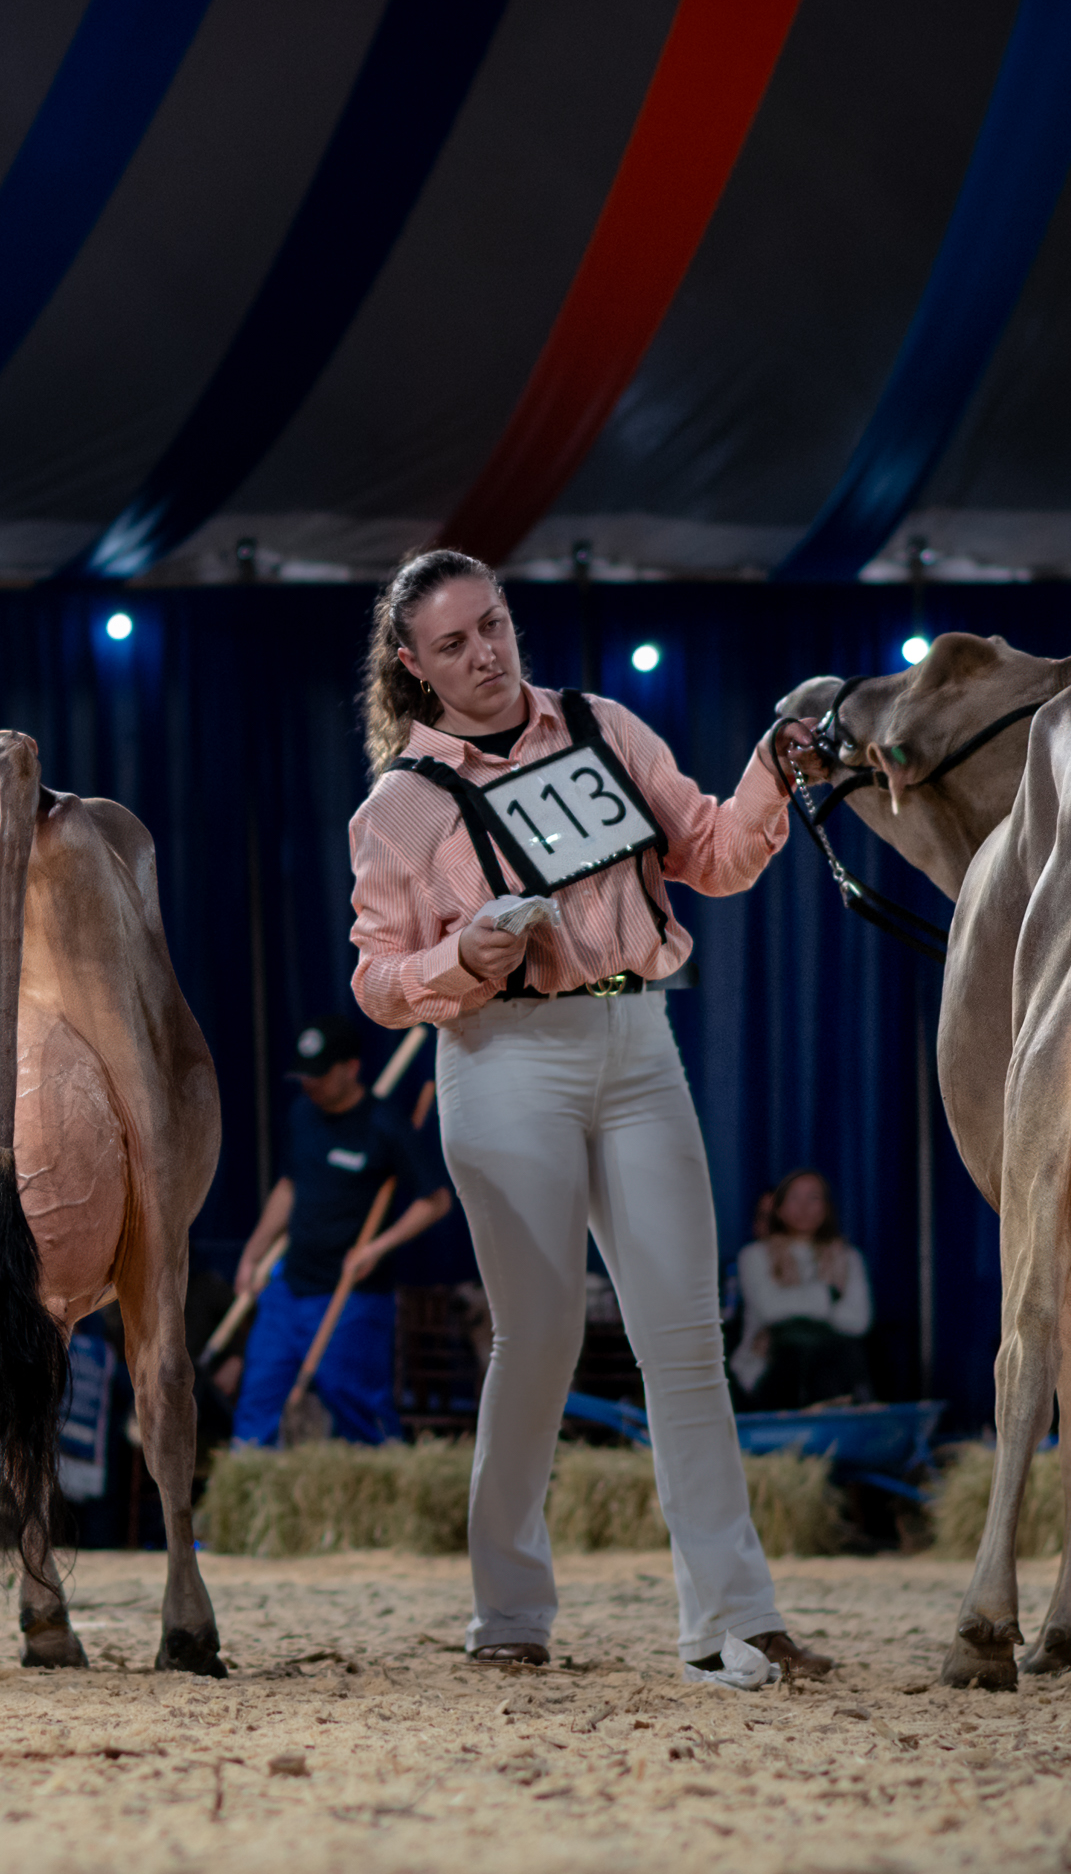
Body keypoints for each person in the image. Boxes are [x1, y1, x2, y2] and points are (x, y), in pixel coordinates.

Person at [347, 548, 833, 1682]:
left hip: (638, 1037)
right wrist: (457, 959)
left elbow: (712, 853)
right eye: (454, 643)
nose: (485, 654)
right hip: (501, 1054)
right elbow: (374, 979)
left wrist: (772, 768)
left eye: (493, 624)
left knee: (685, 1335)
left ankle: (733, 1619)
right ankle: (508, 1615)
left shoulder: (602, 724)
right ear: (413, 666)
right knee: (540, 1335)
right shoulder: (401, 806)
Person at [226, 1015, 458, 1445]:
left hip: (352, 1295)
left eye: (320, 1074)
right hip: (289, 1288)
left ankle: (379, 1476)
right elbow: (289, 1187)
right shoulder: (302, 1114)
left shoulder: (384, 1124)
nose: (309, 1084)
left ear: (351, 1068)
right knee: (258, 1398)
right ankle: (248, 1479)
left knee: (353, 1402)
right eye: (304, 1074)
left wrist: (377, 1248)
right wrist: (253, 1253)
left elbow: (436, 1200)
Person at [731, 1172, 871, 1410]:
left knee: (835, 1352)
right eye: (794, 1198)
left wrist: (795, 1307)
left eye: (813, 1198)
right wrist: (828, 1296)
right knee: (796, 1349)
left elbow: (858, 1321)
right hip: (770, 1369)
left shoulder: (847, 1257)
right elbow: (770, 1310)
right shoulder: (755, 1256)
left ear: (826, 1208)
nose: (804, 1207)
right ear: (779, 1209)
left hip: (831, 1370)